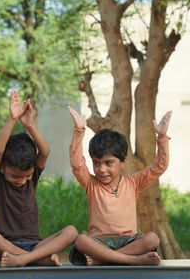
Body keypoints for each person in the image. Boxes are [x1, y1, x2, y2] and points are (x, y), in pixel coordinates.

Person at [67, 106, 172, 266]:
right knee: (81, 240)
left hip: (129, 242)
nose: (102, 169)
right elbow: (77, 164)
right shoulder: (91, 184)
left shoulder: (133, 183)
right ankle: (133, 260)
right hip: (99, 243)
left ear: (123, 162)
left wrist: (162, 137)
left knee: (152, 239)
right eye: (96, 163)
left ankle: (103, 260)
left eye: (109, 163)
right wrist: (79, 131)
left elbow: (159, 166)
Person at [0, 90, 78, 268]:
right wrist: (13, 119)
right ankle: (36, 259)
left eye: (27, 176)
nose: (22, 180)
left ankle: (24, 259)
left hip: (36, 244)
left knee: (71, 231)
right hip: (6, 247)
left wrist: (30, 125)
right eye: (16, 176)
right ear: (3, 166)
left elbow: (44, 152)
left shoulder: (32, 178)